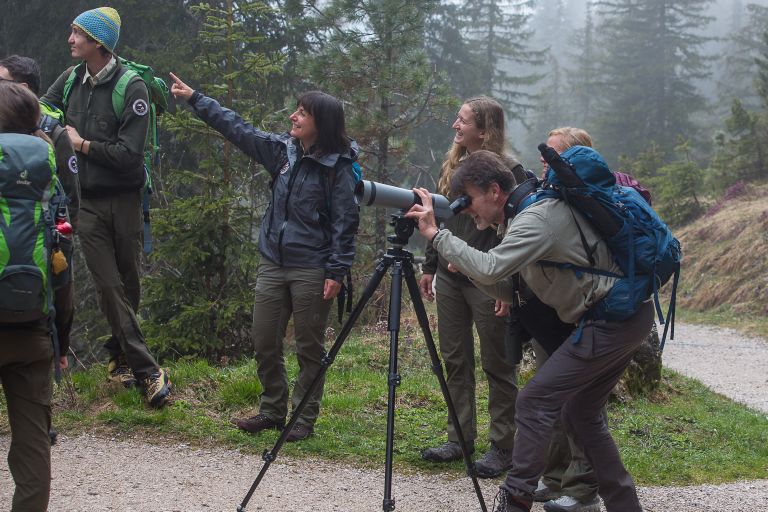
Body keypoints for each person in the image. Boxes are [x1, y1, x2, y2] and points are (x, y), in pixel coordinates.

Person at [406, 150, 654, 512]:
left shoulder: (536, 218)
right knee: (580, 412)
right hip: (624, 317)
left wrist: (437, 234)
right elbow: (513, 289)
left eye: (469, 201)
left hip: (611, 321)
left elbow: (491, 268)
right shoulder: (524, 215)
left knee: (535, 401)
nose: (467, 210)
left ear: (494, 190)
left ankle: (515, 501)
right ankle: (625, 506)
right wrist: (467, 265)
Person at [169, 73, 359, 442]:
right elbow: (236, 128)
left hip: (312, 268)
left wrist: (336, 270)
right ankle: (273, 410)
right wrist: (195, 98)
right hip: (273, 262)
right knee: (265, 339)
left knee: (308, 347)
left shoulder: (339, 168)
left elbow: (345, 223)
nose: (293, 117)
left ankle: (303, 418)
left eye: (302, 113)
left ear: (322, 123)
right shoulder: (282, 152)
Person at [41, 7, 171, 407]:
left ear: (98, 43)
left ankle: (120, 357)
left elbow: (130, 156)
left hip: (127, 199)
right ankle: (149, 370)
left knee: (129, 283)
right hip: (89, 203)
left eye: (77, 34)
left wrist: (79, 144)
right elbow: (42, 110)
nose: (70, 40)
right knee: (109, 284)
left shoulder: (131, 89)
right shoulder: (70, 81)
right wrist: (54, 134)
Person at [419, 96, 523, 478]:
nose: (455, 126)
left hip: (488, 280)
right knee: (455, 359)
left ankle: (503, 446)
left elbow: (516, 232)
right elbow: (440, 217)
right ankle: (458, 437)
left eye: (462, 121)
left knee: (498, 363)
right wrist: (431, 264)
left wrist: (508, 289)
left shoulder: (510, 171)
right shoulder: (453, 167)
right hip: (449, 278)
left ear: (485, 128)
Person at [0, 54, 80, 376]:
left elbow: (70, 205)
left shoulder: (54, 134)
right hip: (37, 302)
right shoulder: (52, 138)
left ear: (20, 89)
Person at [0, 81, 56, 512]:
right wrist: (60, 336)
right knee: (33, 449)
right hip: (33, 323)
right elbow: (62, 260)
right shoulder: (46, 172)